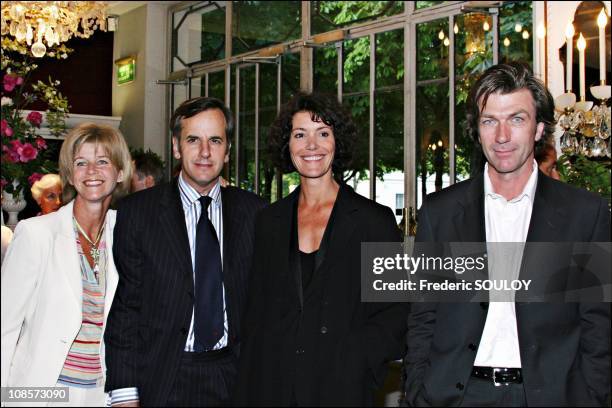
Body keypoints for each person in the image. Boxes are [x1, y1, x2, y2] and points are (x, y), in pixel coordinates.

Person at [403, 62, 610, 406]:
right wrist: (417, 392)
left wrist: (592, 396)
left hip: (550, 396)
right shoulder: (440, 213)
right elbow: (423, 316)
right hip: (456, 395)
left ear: (539, 128)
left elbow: (598, 325)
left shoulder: (584, 214)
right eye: (489, 121)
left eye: (516, 119)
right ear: (477, 129)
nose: (502, 136)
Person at [235, 92, 408, 406]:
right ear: (287, 145)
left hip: (342, 388)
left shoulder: (373, 221)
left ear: (337, 142)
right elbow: (255, 312)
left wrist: (358, 360)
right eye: (300, 135)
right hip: (273, 387)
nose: (311, 146)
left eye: (323, 134)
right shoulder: (268, 221)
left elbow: (396, 311)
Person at [104, 97, 267, 406]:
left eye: (215, 140)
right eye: (193, 140)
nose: (205, 152)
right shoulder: (138, 213)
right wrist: (124, 394)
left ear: (228, 150)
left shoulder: (256, 214)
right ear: (177, 147)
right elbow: (126, 308)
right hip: (163, 378)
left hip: (235, 381)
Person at [1, 123, 132, 406]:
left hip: (101, 393)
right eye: (81, 162)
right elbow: (4, 327)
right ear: (70, 174)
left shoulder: (126, 233)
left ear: (120, 172)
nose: (92, 171)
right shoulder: (36, 233)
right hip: (46, 391)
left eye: (102, 162)